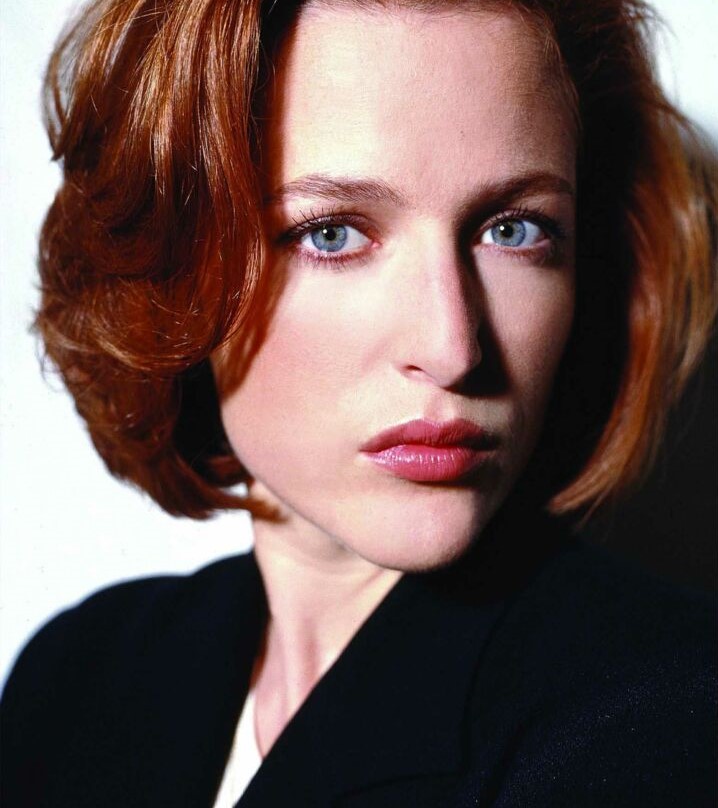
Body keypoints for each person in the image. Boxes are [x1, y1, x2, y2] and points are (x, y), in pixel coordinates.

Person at [1, 0, 716, 805]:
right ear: (170, 272)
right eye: (332, 234)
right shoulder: (75, 680)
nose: (453, 348)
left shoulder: (658, 723)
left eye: (514, 230)